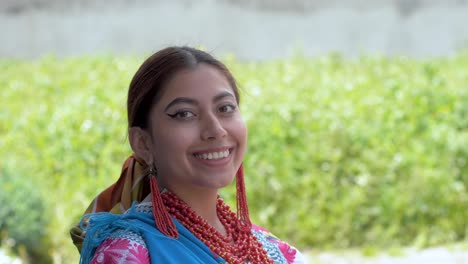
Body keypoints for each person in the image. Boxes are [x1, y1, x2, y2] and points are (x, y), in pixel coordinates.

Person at [70, 46, 307, 263]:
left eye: (225, 108)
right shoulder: (128, 253)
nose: (216, 130)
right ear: (143, 143)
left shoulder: (271, 249)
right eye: (184, 114)